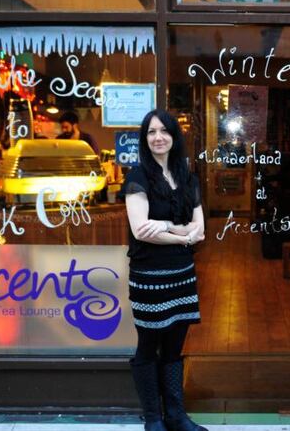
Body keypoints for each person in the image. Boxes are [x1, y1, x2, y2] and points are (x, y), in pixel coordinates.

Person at [121, 109, 207, 431]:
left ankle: (176, 415)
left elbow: (201, 229)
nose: (158, 137)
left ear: (174, 136)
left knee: (174, 346)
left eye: (164, 131)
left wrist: (171, 230)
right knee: (148, 344)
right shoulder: (137, 177)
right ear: (145, 140)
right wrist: (179, 230)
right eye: (151, 132)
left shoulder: (188, 177)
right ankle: (153, 418)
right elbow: (141, 230)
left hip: (182, 275)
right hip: (149, 277)